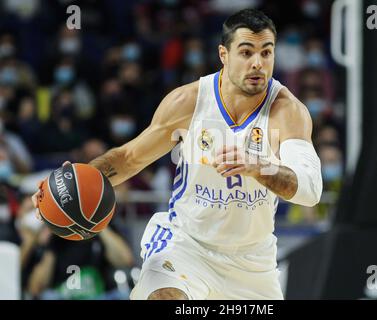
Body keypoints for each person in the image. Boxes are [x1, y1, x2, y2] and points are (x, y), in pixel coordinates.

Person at [31, 9, 323, 300]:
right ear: (224, 54)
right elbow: (129, 158)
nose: (258, 63)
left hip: (252, 263)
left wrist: (260, 167)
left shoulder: (288, 111)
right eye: (246, 53)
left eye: (266, 53)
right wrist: (75, 181)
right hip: (186, 245)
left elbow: (310, 190)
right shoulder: (190, 101)